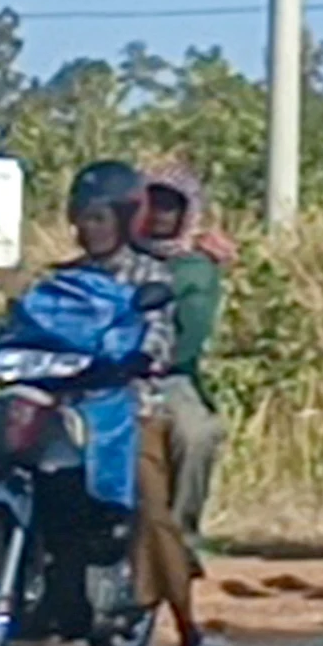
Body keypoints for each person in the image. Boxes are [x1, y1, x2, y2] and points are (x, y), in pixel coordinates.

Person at [64, 161, 235, 646]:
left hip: (129, 400)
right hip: (64, 398)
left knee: (151, 497)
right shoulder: (68, 276)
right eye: (83, 218)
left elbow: (168, 336)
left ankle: (187, 624)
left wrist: (140, 356)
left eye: (100, 218)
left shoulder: (164, 275)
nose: (88, 228)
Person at [136, 166, 231, 552]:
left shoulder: (194, 268)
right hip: (95, 372)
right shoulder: (112, 252)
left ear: (186, 213)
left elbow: (190, 336)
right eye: (151, 204)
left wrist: (149, 360)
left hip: (165, 375)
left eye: (170, 207)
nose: (159, 215)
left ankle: (180, 538)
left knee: (197, 434)